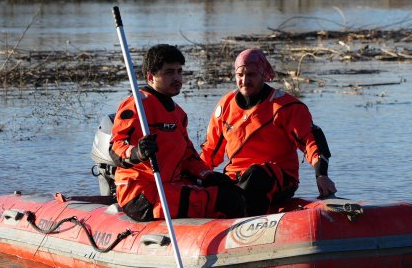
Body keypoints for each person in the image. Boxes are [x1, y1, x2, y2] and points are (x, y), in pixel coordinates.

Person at [110, 44, 243, 222]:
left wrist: (207, 175)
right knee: (221, 201)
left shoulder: (178, 114)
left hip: (169, 186)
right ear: (151, 77)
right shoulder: (137, 105)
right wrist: (137, 152)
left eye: (179, 71)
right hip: (141, 192)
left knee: (231, 191)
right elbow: (116, 146)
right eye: (169, 72)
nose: (177, 78)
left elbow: (188, 156)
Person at [200, 48, 336, 215]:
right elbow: (210, 151)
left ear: (263, 75)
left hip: (277, 177)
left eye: (251, 75)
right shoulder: (225, 105)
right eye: (240, 75)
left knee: (256, 174)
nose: (245, 80)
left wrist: (321, 175)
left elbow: (311, 140)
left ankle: (246, 218)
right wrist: (197, 177)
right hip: (237, 179)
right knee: (211, 181)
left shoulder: (286, 107)